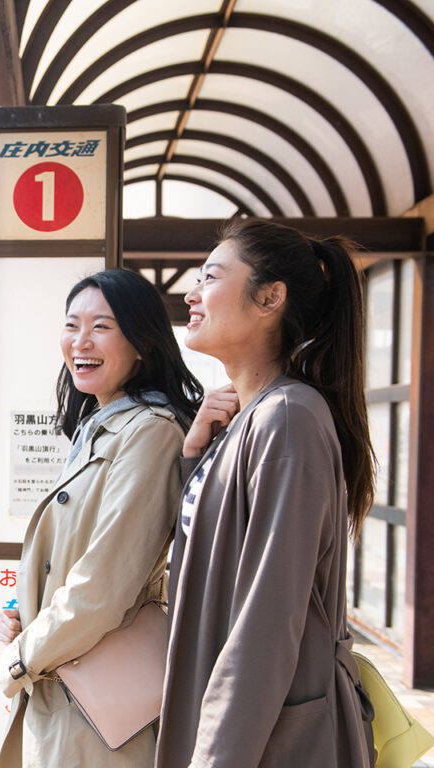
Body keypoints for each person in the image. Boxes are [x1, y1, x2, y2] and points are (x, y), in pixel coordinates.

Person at [155, 218, 376, 768]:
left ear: (271, 297)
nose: (191, 292)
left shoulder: (287, 417)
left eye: (209, 275)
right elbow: (205, 564)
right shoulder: (251, 420)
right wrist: (194, 460)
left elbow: (266, 622)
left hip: (269, 742)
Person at [0, 269, 202, 767]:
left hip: (98, 708)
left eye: (102, 326)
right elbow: (69, 555)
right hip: (66, 685)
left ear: (142, 342)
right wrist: (20, 609)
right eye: (72, 324)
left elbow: (103, 586)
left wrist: (16, 659)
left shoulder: (150, 432)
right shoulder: (97, 427)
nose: (81, 340)